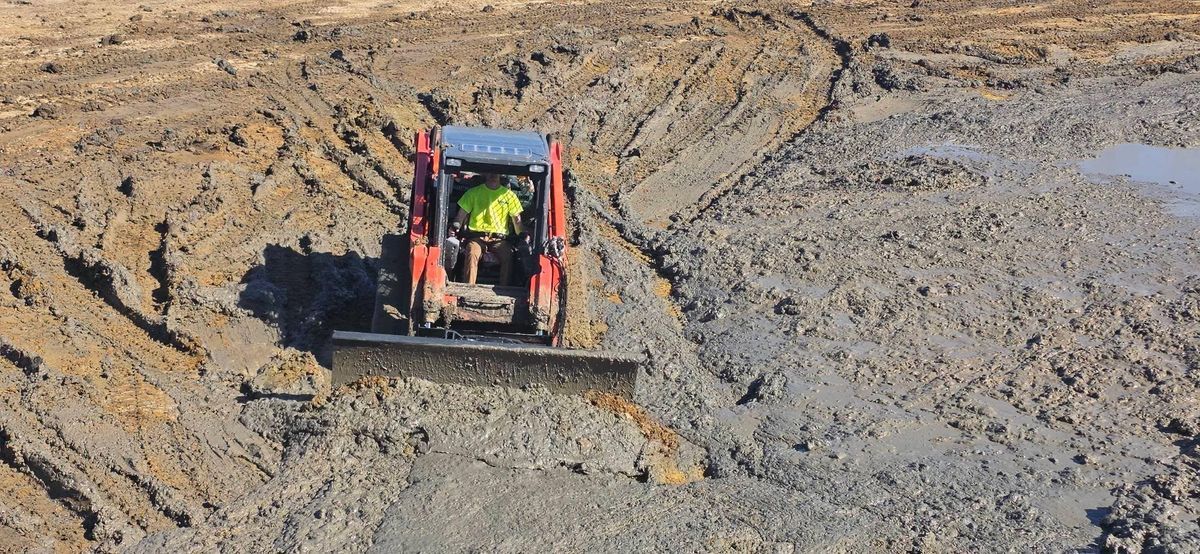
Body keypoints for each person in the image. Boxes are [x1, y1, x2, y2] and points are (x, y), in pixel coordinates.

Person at [451, 173, 529, 285]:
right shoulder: (473, 193)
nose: (494, 175)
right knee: (472, 253)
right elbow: (460, 216)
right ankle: (468, 287)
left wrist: (523, 233)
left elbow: (517, 223)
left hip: (499, 240)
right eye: (491, 172)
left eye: (497, 173)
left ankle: (504, 290)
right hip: (476, 237)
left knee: (508, 255)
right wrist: (456, 225)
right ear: (485, 174)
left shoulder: (509, 196)